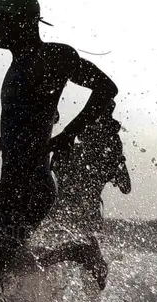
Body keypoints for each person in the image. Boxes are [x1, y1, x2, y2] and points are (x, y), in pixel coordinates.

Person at [0, 0, 118, 302]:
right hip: (15, 188)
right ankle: (76, 253)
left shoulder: (52, 56)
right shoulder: (17, 65)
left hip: (30, 187)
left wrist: (67, 134)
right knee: (0, 268)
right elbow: (26, 128)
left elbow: (106, 88)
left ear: (24, 21)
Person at [35, 107, 130, 289]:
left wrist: (119, 158)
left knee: (95, 269)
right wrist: (118, 158)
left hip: (79, 220)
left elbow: (125, 187)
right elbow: (125, 186)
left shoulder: (103, 160)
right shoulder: (85, 155)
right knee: (61, 260)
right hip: (65, 218)